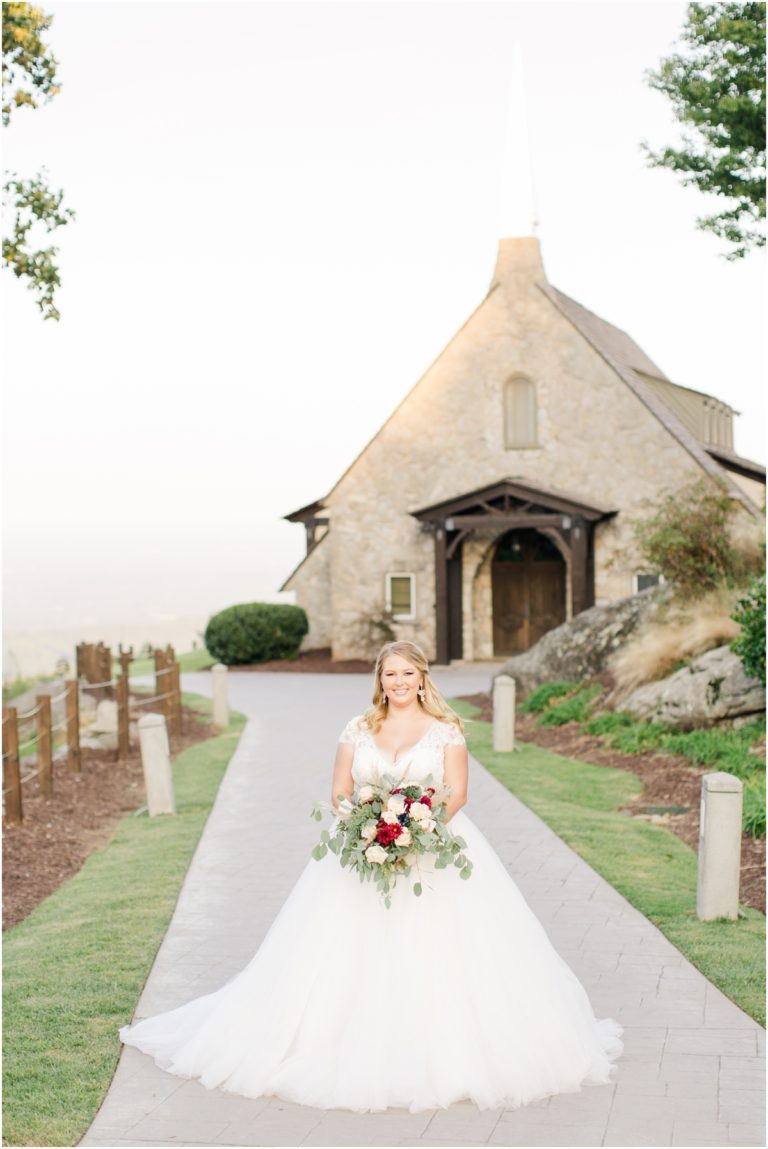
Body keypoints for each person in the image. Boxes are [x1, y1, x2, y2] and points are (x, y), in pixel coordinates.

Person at [119, 640, 623, 1113]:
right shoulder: (357, 729)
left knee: (448, 950)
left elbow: (457, 793)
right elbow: (339, 791)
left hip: (432, 850)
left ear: (422, 678)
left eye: (408, 673)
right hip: (360, 852)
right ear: (380, 680)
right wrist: (368, 829)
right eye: (390, 674)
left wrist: (414, 830)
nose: (399, 681)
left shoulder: (447, 729)